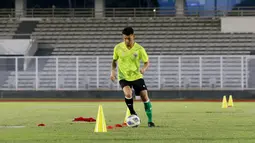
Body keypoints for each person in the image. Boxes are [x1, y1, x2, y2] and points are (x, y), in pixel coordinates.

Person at [110, 27, 155, 127]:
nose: (126, 41)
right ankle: (133, 113)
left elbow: (147, 62)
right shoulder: (117, 48)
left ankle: (150, 121)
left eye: (129, 39)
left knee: (144, 97)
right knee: (128, 94)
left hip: (137, 76)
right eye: (125, 38)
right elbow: (114, 61)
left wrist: (144, 69)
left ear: (133, 37)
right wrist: (113, 72)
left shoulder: (139, 49)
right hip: (123, 77)